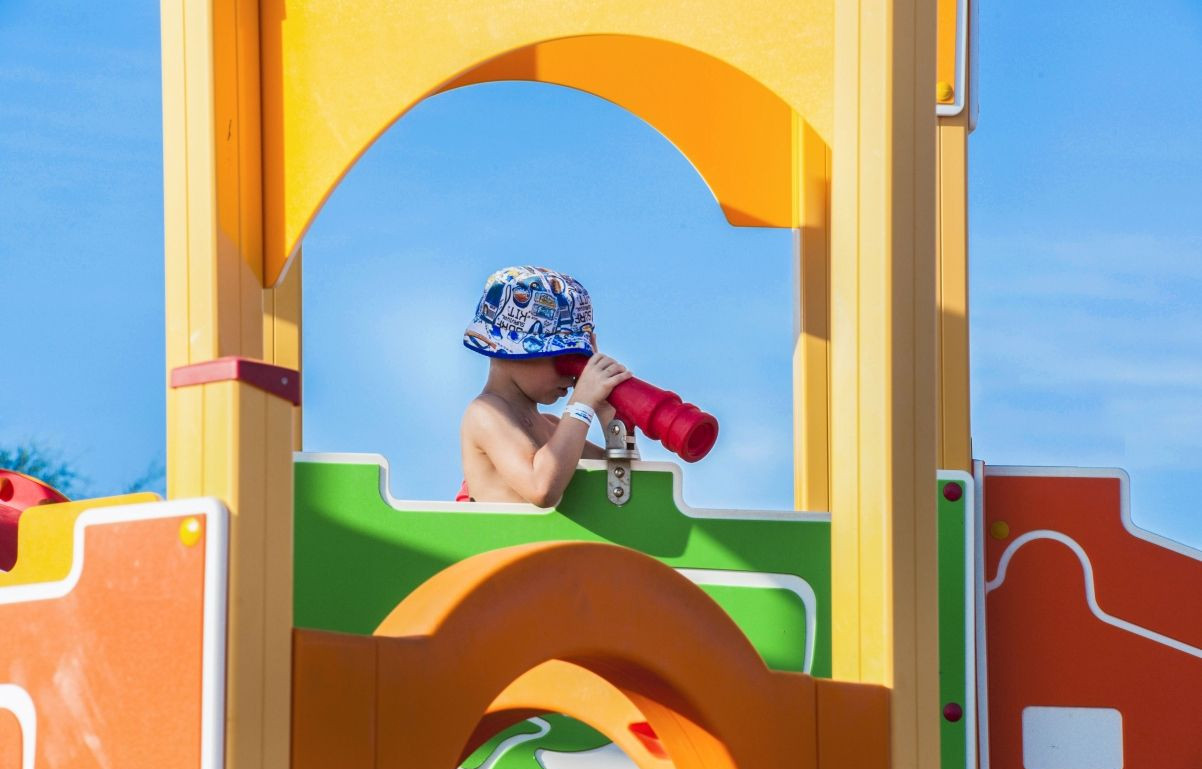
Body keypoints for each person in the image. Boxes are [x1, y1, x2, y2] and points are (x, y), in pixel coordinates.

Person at [460, 266, 631, 506]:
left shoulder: (553, 427)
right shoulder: (485, 412)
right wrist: (581, 403)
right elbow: (541, 488)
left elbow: (625, 486)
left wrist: (607, 412)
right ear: (513, 350)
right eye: (563, 358)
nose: (572, 374)